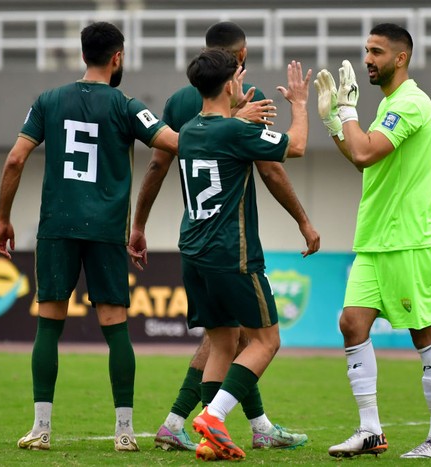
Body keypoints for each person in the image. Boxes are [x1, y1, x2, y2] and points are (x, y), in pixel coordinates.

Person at [129, 21, 317, 454]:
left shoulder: (188, 128)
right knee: (267, 341)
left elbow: (167, 159)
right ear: (233, 78)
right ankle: (212, 417)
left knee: (223, 343)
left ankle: (210, 437)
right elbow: (298, 148)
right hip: (232, 252)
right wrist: (301, 105)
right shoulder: (236, 129)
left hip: (192, 250)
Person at [0, 21, 179, 452]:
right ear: (118, 58)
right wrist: (223, 123)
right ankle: (125, 432)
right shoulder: (127, 105)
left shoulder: (48, 101)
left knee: (49, 323)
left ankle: (40, 429)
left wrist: (3, 218)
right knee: (116, 327)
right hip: (106, 230)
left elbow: (16, 160)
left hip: (57, 226)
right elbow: (174, 143)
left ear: (82, 56)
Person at [314, 23, 431, 459]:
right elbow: (364, 162)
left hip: (410, 240)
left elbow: (364, 151)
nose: (367, 60)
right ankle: (370, 430)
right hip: (376, 240)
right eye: (366, 50)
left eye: (376, 52)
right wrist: (333, 120)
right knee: (351, 323)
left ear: (401, 58)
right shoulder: (390, 106)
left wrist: (349, 112)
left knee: (423, 334)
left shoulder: (411, 103)